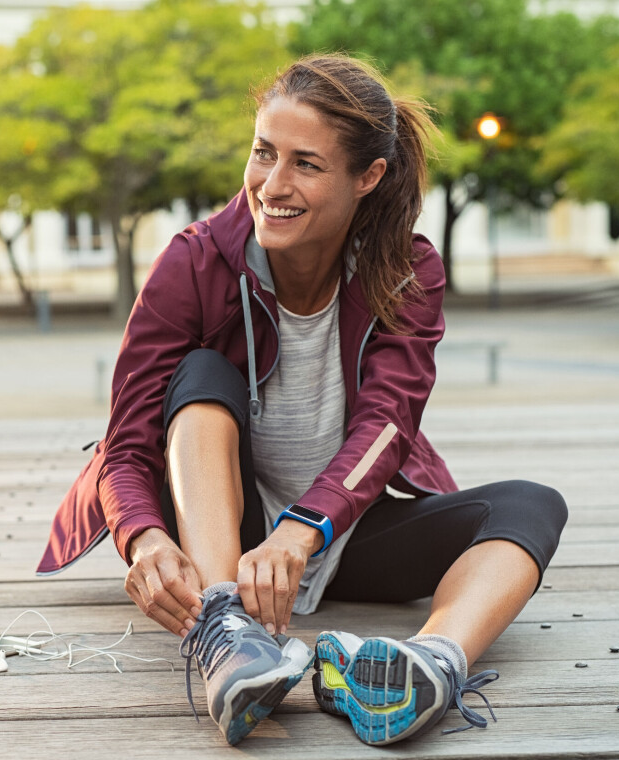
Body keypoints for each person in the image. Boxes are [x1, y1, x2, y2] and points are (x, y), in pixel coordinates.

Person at [37, 54, 568, 747]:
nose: (272, 184)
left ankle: (432, 665)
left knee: (531, 505)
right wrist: (144, 536)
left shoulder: (406, 270)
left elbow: (388, 425)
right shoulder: (194, 263)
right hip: (224, 540)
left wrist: (303, 529)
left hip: (338, 532)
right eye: (264, 153)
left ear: (367, 177)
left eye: (306, 164)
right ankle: (226, 632)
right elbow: (127, 443)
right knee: (201, 374)